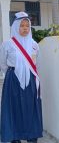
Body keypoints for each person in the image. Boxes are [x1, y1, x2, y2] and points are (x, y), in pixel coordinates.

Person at [0, 12, 43, 143]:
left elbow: (36, 62)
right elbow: (2, 63)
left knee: (30, 107)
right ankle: (14, 136)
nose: (25, 28)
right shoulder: (7, 44)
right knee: (14, 107)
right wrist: (13, 73)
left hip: (30, 79)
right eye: (22, 25)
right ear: (15, 27)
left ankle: (31, 135)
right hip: (13, 79)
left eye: (27, 26)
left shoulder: (34, 44)